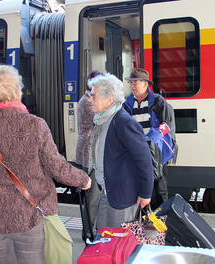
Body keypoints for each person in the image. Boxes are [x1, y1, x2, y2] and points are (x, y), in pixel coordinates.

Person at [0, 65, 91, 264]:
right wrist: (84, 180)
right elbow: (56, 166)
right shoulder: (34, 125)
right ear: (17, 92)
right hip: (27, 219)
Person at [87, 73, 153, 228]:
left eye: (93, 96)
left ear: (109, 99)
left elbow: (144, 160)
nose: (90, 100)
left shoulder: (123, 122)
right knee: (103, 236)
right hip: (107, 192)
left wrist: (145, 193)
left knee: (120, 243)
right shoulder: (102, 120)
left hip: (122, 196)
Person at [123, 68, 177, 209]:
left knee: (160, 190)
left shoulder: (158, 101)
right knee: (140, 190)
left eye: (135, 83)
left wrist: (149, 139)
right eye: (131, 83)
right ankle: (143, 225)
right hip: (136, 153)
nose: (132, 86)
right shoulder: (126, 104)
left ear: (146, 84)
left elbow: (167, 125)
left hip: (156, 154)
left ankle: (160, 225)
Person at [76, 70, 102, 240]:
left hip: (89, 152)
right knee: (92, 198)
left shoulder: (86, 99)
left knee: (92, 197)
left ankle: (89, 230)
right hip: (88, 155)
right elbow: (102, 117)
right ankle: (89, 234)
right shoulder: (87, 102)